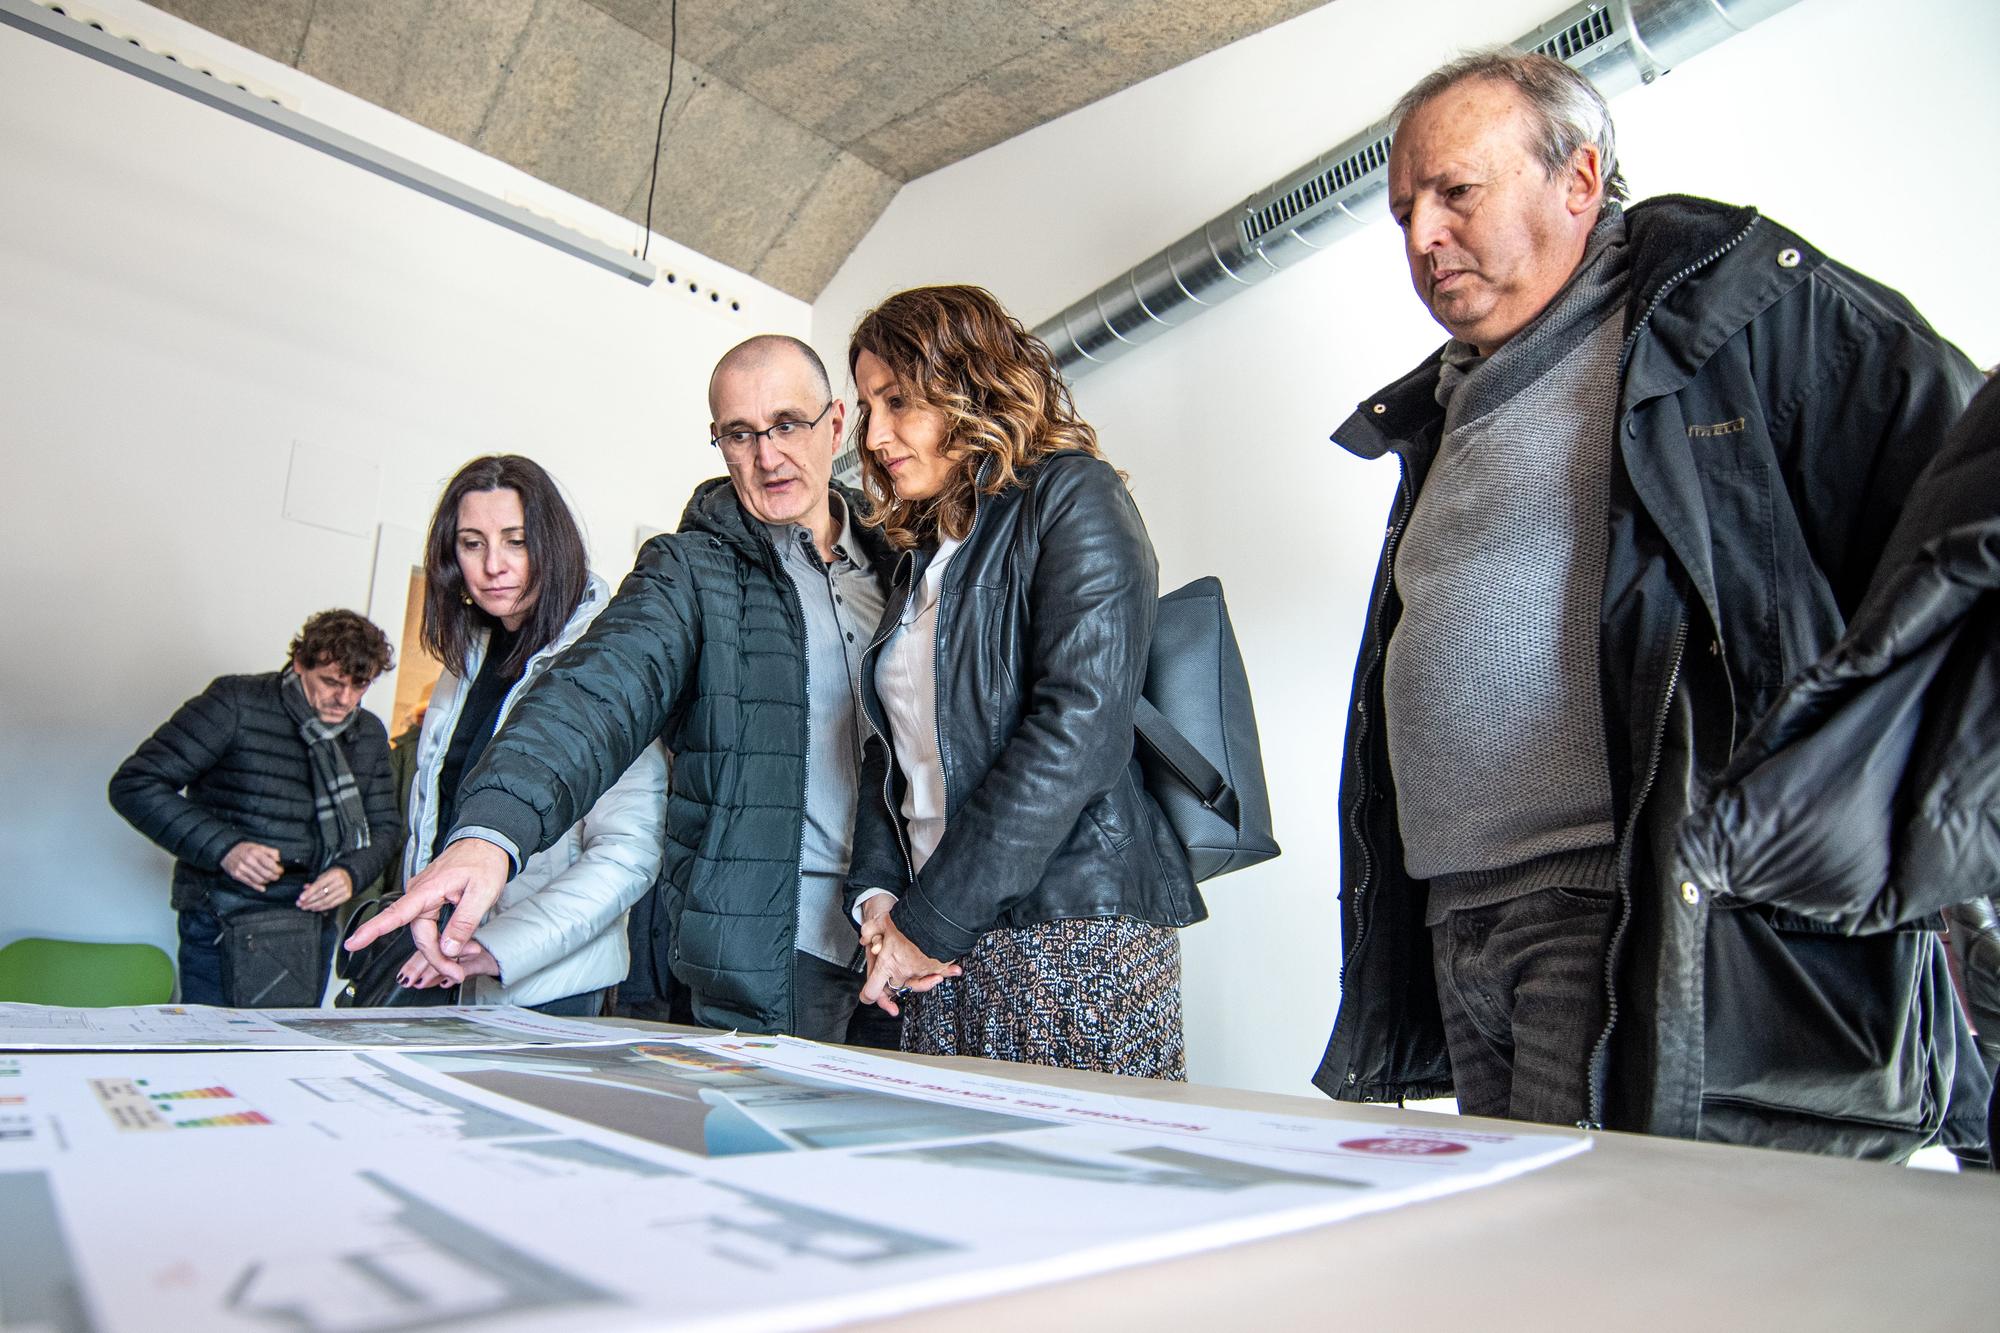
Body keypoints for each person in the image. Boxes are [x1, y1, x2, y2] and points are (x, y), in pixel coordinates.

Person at [1312, 50, 1988, 1157]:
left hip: (1623, 908)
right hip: (1463, 919)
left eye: (1453, 193)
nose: (1421, 237)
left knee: (1618, 1272)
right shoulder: (1444, 407)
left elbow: (1961, 495)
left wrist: (1850, 792)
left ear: (1577, 180)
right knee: (1533, 1268)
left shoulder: (1731, 322)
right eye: (1402, 213)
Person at [347, 337, 900, 1044]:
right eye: (739, 433)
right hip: (773, 951)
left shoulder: (902, 567)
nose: (766, 455)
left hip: (907, 944)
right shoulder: (688, 570)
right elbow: (596, 690)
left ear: (835, 422)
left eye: (787, 423)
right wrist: (491, 833)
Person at [843, 284, 1206, 1078]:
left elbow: (1077, 731)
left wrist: (928, 921)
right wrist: (877, 897)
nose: (873, 435)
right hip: (934, 938)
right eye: (868, 407)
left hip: (1066, 929)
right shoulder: (920, 558)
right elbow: (891, 750)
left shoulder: (1074, 495)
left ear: (967, 387)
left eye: (898, 401)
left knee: (1081, 1192)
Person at [386, 455, 668, 1015]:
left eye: (516, 541)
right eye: (472, 543)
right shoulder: (460, 669)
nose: (494, 565)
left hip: (544, 982)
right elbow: (434, 822)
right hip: (442, 964)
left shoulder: (603, 665)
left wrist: (499, 946)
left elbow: (629, 850)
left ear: (552, 545)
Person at [110, 610, 399, 1005]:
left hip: (311, 921)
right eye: (331, 682)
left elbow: (385, 828)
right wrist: (226, 849)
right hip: (220, 916)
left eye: (359, 686)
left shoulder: (367, 733)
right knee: (211, 1049)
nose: (344, 699)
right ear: (300, 664)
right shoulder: (235, 703)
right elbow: (135, 784)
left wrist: (351, 874)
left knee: (284, 1052)